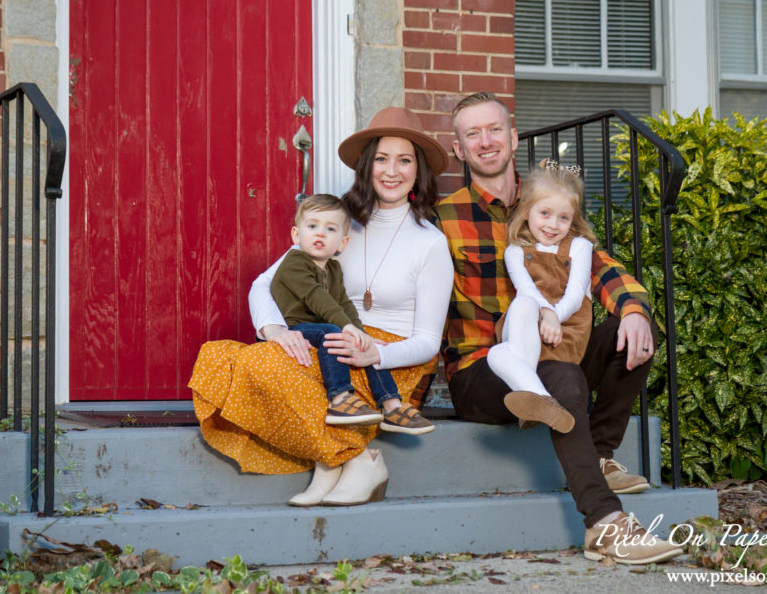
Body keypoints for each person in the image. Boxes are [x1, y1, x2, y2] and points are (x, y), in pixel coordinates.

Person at [435, 91, 682, 565]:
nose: (485, 142)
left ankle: (601, 455)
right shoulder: (444, 219)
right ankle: (606, 525)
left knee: (629, 334)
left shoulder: (549, 205)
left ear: (513, 135)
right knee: (563, 376)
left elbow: (601, 266)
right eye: (472, 134)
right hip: (483, 369)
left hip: (554, 348)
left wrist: (633, 310)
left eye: (493, 130)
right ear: (459, 149)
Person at [189, 106, 452, 507]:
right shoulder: (338, 223)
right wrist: (276, 330)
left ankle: (340, 461)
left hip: (389, 364)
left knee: (267, 366)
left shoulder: (430, 242)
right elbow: (266, 282)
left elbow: (429, 340)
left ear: (419, 171)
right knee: (229, 357)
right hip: (330, 348)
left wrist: (375, 353)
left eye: (404, 160)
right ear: (367, 165)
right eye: (381, 158)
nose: (391, 171)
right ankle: (351, 457)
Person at [271, 193, 434, 433]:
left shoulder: (333, 268)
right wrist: (345, 328)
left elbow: (343, 303)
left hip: (324, 329)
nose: (320, 233)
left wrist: (359, 332)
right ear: (297, 234)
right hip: (298, 328)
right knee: (334, 331)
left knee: (364, 345)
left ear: (342, 243)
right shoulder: (294, 262)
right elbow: (317, 298)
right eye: (313, 226)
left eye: (330, 229)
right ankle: (339, 399)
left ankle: (391, 404)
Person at [488, 160, 598, 435]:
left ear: (573, 219)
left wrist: (553, 317)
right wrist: (545, 313)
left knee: (497, 354)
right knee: (524, 302)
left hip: (564, 332)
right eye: (545, 213)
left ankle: (533, 399)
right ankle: (544, 400)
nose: (553, 224)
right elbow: (527, 290)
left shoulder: (580, 247)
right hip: (526, 330)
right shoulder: (515, 251)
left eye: (564, 217)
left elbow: (574, 296)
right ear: (527, 212)